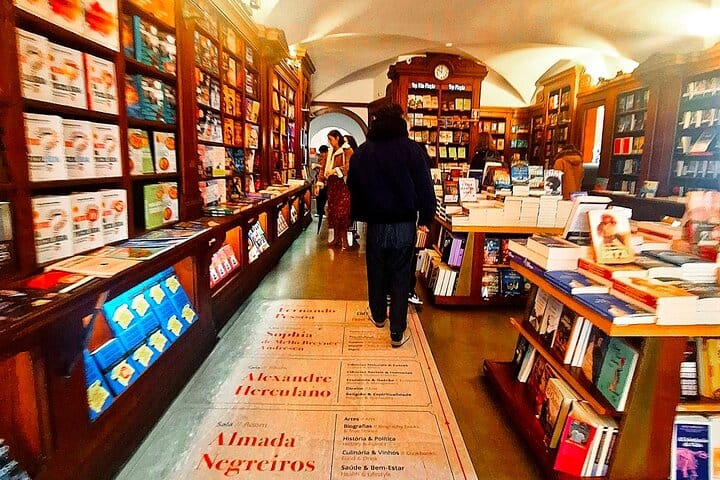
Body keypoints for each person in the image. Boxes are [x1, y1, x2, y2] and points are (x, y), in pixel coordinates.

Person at [347, 104, 436, 347]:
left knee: (376, 270)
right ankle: (397, 331)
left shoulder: (364, 151)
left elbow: (352, 184)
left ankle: (378, 316)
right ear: (400, 120)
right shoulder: (412, 150)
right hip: (403, 223)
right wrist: (426, 218)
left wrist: (361, 210)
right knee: (400, 275)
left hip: (375, 223)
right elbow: (425, 186)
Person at [326, 130, 352, 249]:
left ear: (337, 138)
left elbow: (348, 166)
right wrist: (320, 181)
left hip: (342, 184)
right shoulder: (330, 151)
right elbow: (325, 167)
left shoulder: (347, 150)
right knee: (333, 211)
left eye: (331, 139)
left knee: (343, 211)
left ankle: (344, 238)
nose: (330, 142)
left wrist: (335, 171)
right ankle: (336, 238)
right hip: (332, 184)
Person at [344, 135, 361, 245]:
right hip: (343, 185)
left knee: (352, 208)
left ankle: (352, 229)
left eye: (347, 142)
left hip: (353, 186)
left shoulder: (355, 155)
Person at [314, 145, 329, 230]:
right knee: (319, 197)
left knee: (323, 197)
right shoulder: (321, 158)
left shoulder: (329, 157)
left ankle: (322, 212)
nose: (321, 155)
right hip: (321, 181)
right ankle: (320, 212)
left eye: (322, 153)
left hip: (326, 182)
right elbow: (321, 170)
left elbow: (323, 169)